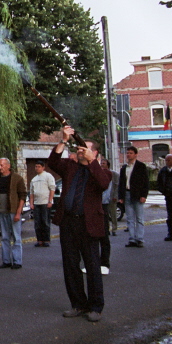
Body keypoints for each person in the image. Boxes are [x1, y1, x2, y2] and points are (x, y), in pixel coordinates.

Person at [48, 126, 111, 323]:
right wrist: (64, 140)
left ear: (95, 153)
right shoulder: (71, 167)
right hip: (68, 222)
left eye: (85, 148)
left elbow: (103, 184)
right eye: (79, 148)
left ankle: (95, 306)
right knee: (70, 266)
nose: (80, 151)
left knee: (92, 266)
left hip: (88, 224)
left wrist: (92, 161)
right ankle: (78, 304)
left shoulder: (101, 171)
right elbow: (52, 162)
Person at [0, 157, 27, 269]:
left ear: (8, 165)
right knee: (4, 237)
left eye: (2, 165)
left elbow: (22, 196)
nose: (0, 168)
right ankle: (6, 260)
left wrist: (18, 212)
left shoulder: (17, 178)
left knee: (16, 237)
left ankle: (17, 261)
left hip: (12, 211)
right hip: (1, 212)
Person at [119, 146, 149, 247]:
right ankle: (132, 238)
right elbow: (121, 182)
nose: (128, 155)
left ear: (136, 154)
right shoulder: (124, 167)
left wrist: (144, 195)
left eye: (131, 153)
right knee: (130, 218)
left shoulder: (141, 166)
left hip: (137, 194)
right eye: (127, 153)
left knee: (139, 218)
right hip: (127, 193)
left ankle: (139, 238)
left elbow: (145, 182)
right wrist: (121, 196)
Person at [29, 160, 56, 247]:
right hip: (37, 203)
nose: (37, 168)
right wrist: (31, 203)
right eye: (36, 166)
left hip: (45, 203)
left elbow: (52, 189)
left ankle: (46, 239)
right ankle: (39, 240)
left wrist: (50, 201)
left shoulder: (48, 176)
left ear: (43, 167)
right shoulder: (34, 179)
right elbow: (31, 192)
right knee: (37, 223)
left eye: (39, 166)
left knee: (45, 221)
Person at [157, 154, 172, 241]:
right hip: (168, 195)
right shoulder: (163, 171)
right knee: (169, 216)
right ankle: (170, 234)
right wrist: (164, 191)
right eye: (166, 160)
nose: (167, 162)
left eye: (169, 160)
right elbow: (159, 183)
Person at [99, 159, 117, 274]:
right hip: (95, 207)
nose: (102, 165)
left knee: (104, 236)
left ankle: (105, 263)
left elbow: (106, 193)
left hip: (102, 206)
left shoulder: (108, 174)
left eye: (103, 164)